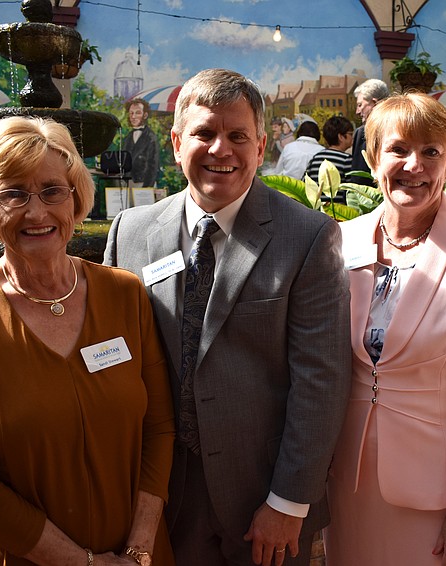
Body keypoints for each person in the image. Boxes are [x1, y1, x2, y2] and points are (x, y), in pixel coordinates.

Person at [104, 68, 352, 566]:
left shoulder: (307, 237)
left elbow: (320, 381)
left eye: (238, 136)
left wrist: (288, 501)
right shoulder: (129, 232)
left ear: (261, 147)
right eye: (204, 133)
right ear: (176, 143)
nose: (222, 149)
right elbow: (113, 362)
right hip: (160, 497)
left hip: (262, 500)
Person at [0, 116, 175, 566]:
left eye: (52, 190)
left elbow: (158, 428)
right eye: (14, 193)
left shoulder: (124, 294)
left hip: (134, 551)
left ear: (75, 197)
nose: (36, 212)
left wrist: (139, 547)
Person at [325, 93, 446, 566]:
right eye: (398, 149)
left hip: (433, 495)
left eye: (431, 151)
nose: (414, 165)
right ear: (373, 159)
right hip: (344, 489)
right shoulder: (338, 240)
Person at [349, 78, 389, 185]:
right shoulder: (360, 133)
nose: (357, 111)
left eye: (360, 105)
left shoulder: (398, 129)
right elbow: (357, 176)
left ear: (374, 103)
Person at [122, 97, 160, 187]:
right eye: (131, 113)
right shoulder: (128, 137)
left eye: (137, 113)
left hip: (144, 183)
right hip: (128, 183)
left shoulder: (151, 137)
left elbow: (153, 166)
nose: (133, 117)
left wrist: (147, 187)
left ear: (145, 115)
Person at [305, 115, 354, 184]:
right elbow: (354, 188)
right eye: (350, 134)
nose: (352, 137)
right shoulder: (347, 160)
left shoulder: (315, 159)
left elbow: (305, 183)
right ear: (341, 137)